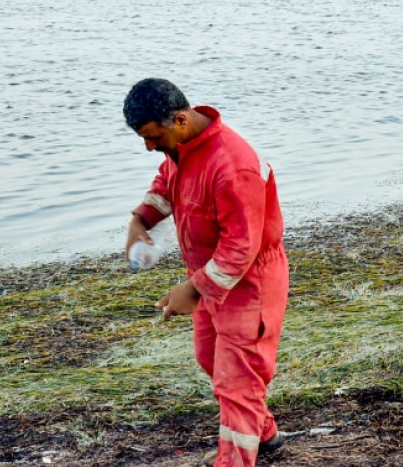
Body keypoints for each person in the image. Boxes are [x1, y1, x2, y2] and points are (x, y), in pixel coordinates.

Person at [123, 78, 289, 467]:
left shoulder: (232, 165)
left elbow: (241, 248)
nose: (149, 147)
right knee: (210, 358)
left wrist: (192, 291)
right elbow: (167, 183)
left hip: (250, 283)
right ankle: (265, 434)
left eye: (152, 137)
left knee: (237, 383)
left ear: (179, 120)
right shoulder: (181, 148)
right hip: (209, 274)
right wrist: (140, 219)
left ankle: (234, 460)